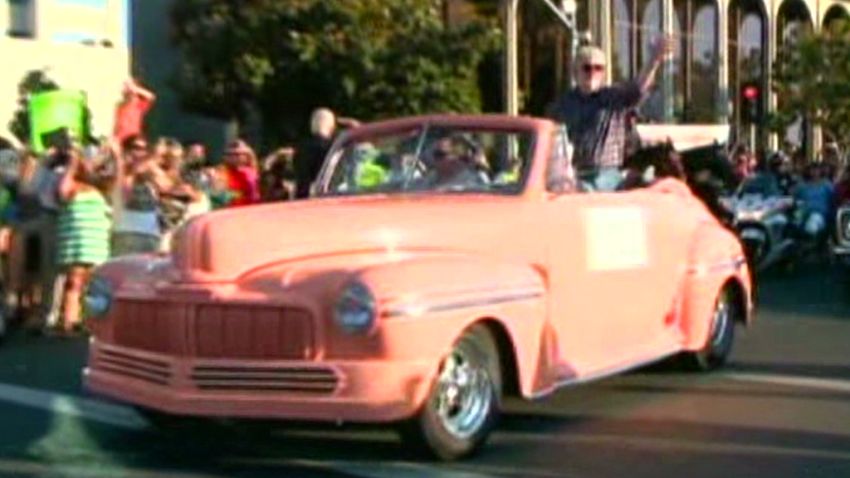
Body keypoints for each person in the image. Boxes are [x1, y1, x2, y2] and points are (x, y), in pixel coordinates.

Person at [548, 36, 675, 191]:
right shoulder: (562, 105)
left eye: (598, 68)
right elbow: (551, 142)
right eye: (586, 68)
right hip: (574, 176)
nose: (592, 73)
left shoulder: (613, 98)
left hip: (608, 176)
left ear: (603, 73)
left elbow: (639, 88)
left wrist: (654, 60)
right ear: (575, 72)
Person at [54, 149, 112, 335]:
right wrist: (72, 163)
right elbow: (62, 190)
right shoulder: (72, 186)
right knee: (75, 282)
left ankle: (87, 320)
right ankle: (70, 321)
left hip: (95, 242)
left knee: (92, 284)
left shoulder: (101, 188)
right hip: (77, 241)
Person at [293, 108, 360, 199]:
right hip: (334, 196)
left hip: (307, 198)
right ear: (332, 126)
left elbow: (302, 181)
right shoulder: (337, 147)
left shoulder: (301, 149)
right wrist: (354, 126)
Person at [218, 139, 260, 207]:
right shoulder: (221, 172)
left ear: (247, 156)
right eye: (229, 155)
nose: (234, 158)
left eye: (237, 154)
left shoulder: (253, 172)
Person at [113, 78, 156, 143]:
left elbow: (151, 97)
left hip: (133, 137)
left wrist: (135, 89)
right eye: (125, 86)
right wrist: (114, 137)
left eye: (127, 86)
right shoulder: (120, 105)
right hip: (121, 138)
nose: (126, 88)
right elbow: (117, 124)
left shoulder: (138, 103)